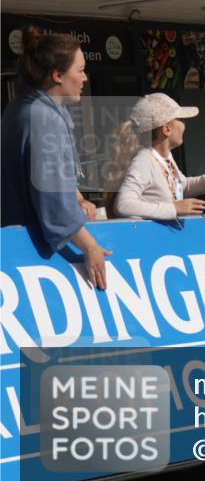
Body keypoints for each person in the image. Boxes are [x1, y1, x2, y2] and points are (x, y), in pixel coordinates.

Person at [1, 26, 111, 289]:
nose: (85, 78)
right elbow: (54, 204)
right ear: (58, 75)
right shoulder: (44, 118)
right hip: (34, 262)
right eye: (81, 70)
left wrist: (75, 196)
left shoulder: (20, 109)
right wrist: (90, 246)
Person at [105, 94, 205, 219]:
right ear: (166, 129)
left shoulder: (164, 157)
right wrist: (175, 208)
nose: (184, 124)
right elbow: (124, 205)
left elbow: (182, 185)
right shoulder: (144, 161)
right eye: (181, 119)